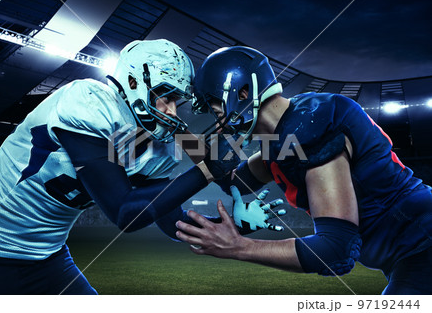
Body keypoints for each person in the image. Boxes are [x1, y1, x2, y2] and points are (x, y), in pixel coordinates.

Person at [0, 39, 244, 294]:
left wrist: (235, 225)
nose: (173, 111)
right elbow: (124, 213)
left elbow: (173, 224)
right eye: (166, 97)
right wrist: (206, 170)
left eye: (178, 101)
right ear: (133, 82)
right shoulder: (87, 100)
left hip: (48, 256)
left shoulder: (158, 148)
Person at [175, 46, 432, 294]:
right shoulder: (282, 140)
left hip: (422, 243)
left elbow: (335, 249)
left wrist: (237, 247)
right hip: (408, 254)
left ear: (242, 94)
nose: (218, 125)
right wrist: (176, 128)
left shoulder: (310, 127)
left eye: (216, 108)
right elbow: (232, 181)